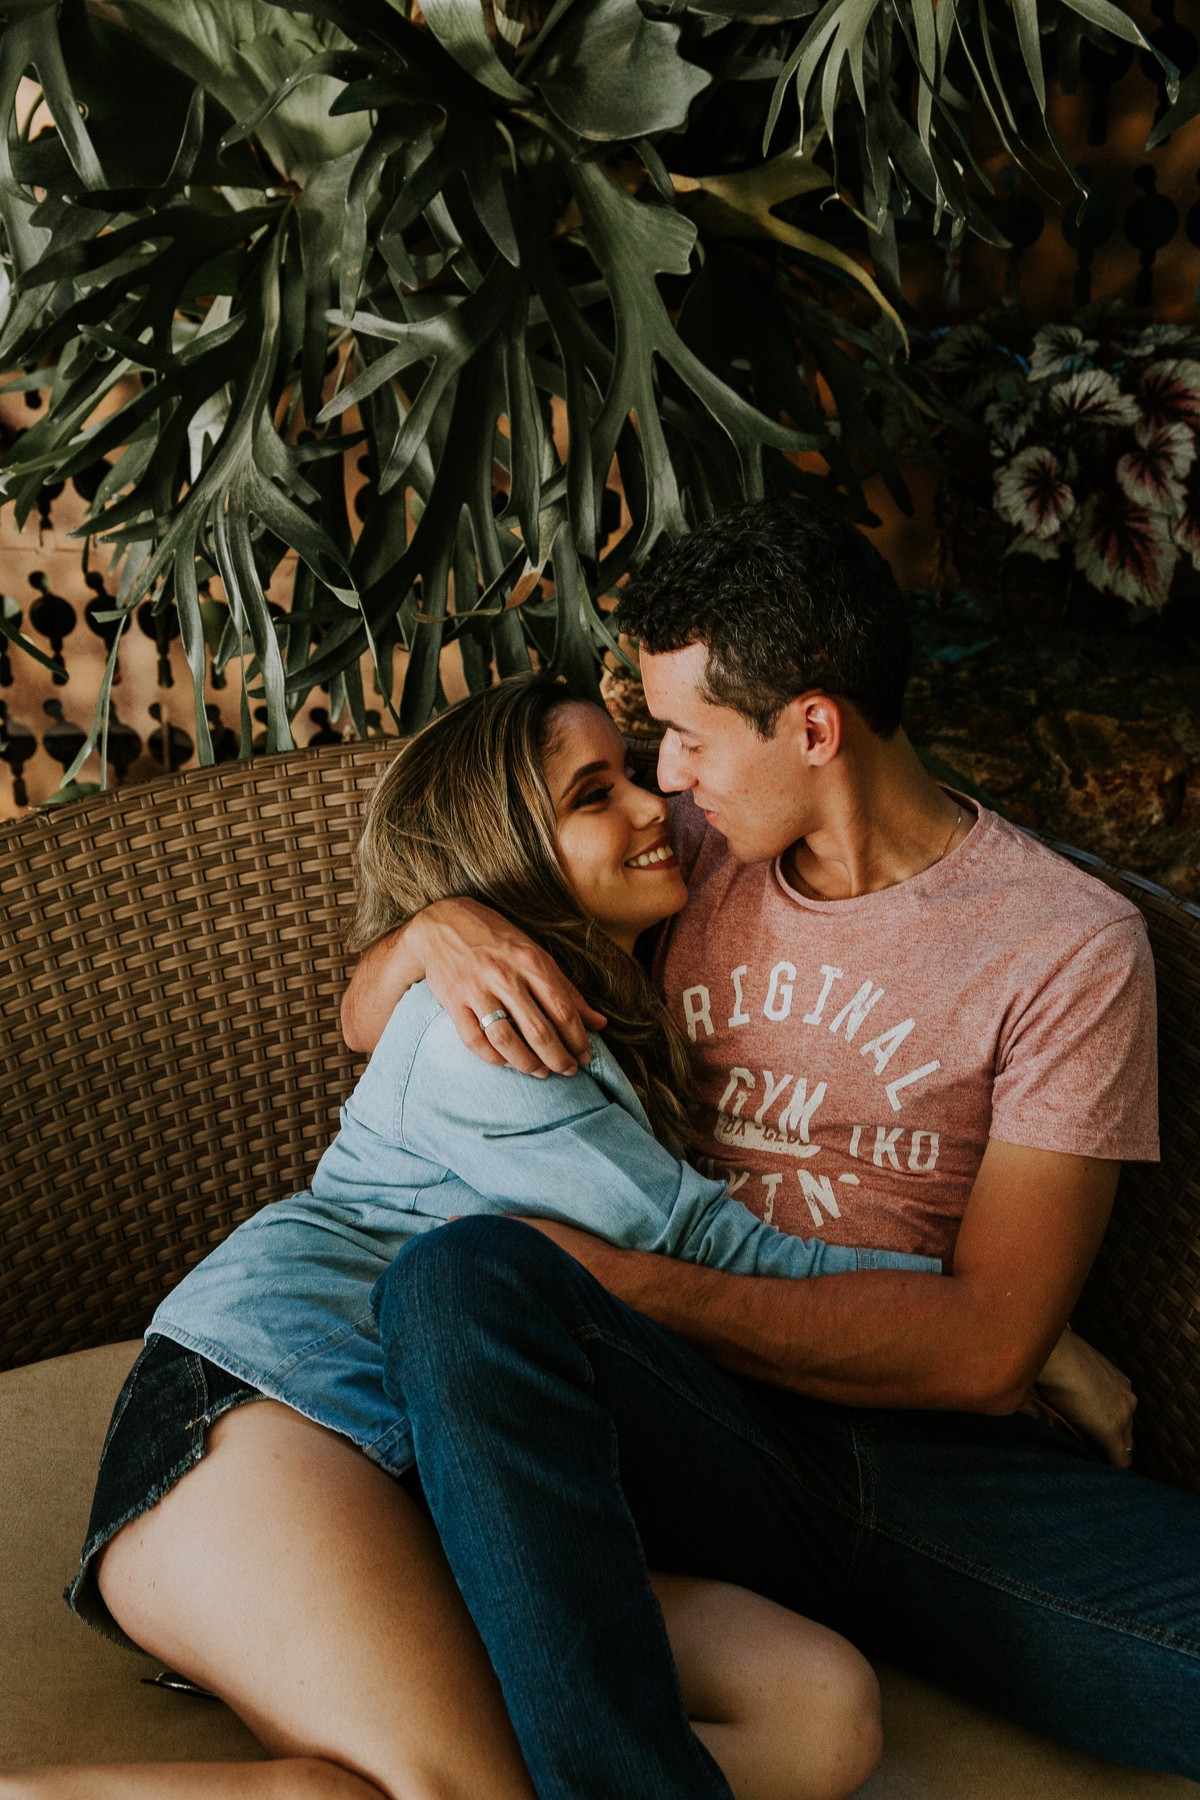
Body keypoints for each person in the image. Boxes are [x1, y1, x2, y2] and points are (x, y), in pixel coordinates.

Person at [344, 498, 1200, 1790]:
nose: (665, 778)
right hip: (695, 1422)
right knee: (460, 1283)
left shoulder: (1065, 947)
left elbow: (985, 1351)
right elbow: (376, 1020)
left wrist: (618, 1283)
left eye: (685, 738)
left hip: (936, 1459)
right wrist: (431, 933)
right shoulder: (689, 850)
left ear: (813, 727)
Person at [12, 674, 959, 1800]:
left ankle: (339, 1715)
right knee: (464, 1797)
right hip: (258, 1419)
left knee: (818, 1711)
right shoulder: (494, 1035)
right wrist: (997, 1325)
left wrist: (434, 926)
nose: (661, 799)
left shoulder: (584, 961)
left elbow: (369, 1004)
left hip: (436, 1480)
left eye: (644, 762)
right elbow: (714, 1252)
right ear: (506, 854)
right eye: (593, 793)